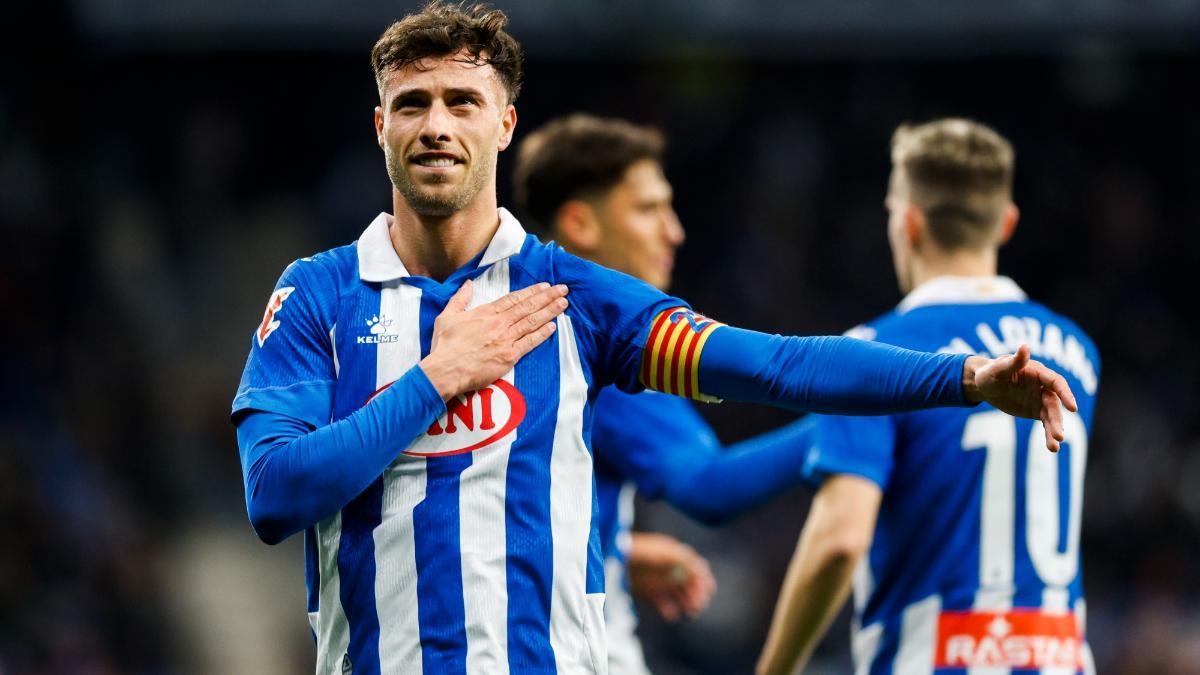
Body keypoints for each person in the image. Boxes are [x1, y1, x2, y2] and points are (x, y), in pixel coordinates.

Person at [230, 4, 1076, 672]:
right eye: (410, 104)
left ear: (506, 125)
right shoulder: (318, 294)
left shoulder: (580, 300)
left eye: (462, 103)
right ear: (380, 127)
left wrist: (961, 376)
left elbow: (776, 363)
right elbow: (273, 493)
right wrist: (435, 377)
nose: (436, 125)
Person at [757, 118, 1100, 675]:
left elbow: (840, 540)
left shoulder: (873, 352)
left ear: (908, 223)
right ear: (1006, 223)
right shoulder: (1077, 353)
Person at [513, 113, 817, 675]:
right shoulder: (594, 346)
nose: (673, 231)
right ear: (580, 222)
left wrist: (619, 554)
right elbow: (709, 485)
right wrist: (850, 421)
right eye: (649, 209)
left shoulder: (510, 324)